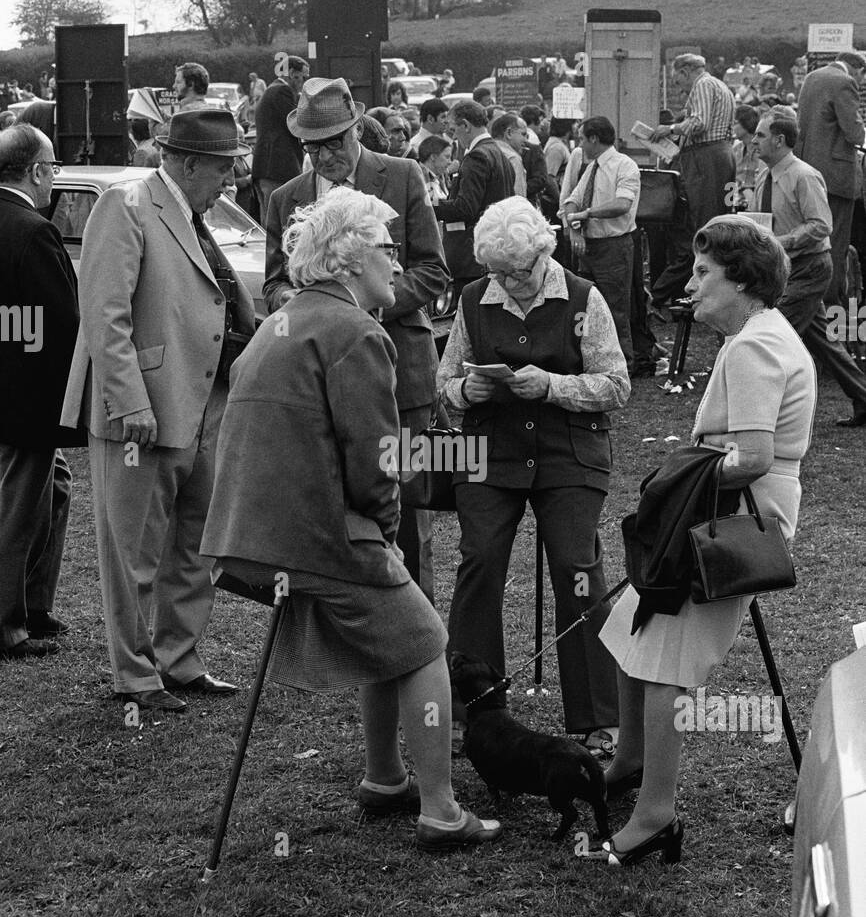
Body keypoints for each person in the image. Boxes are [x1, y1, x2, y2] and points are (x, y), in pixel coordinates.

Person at [201, 189, 501, 851]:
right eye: (388, 250)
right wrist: (384, 535)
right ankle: (440, 811)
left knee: (389, 637)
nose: (397, 265)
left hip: (251, 534)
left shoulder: (285, 319)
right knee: (424, 642)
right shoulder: (357, 332)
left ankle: (385, 778)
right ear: (351, 258)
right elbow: (376, 461)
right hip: (316, 535)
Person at [592, 216, 816, 866]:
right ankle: (631, 760)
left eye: (702, 272)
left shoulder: (753, 346)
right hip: (723, 508)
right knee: (630, 626)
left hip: (733, 521)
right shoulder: (756, 335)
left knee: (664, 658)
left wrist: (681, 477)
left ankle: (655, 815)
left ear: (740, 280)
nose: (690, 284)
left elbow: (752, 459)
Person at [60, 110, 256, 711]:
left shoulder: (190, 214)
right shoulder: (125, 206)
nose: (231, 180)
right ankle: (136, 676)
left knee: (196, 545)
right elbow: (105, 315)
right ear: (189, 163)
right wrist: (130, 403)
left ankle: (180, 660)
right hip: (142, 415)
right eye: (223, 168)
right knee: (133, 554)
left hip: (204, 406)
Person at [438, 197, 630, 748]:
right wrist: (465, 390)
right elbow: (444, 381)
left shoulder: (584, 297)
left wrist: (551, 385)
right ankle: (473, 710)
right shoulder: (474, 299)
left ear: (544, 253)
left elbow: (616, 385)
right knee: (479, 561)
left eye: (516, 272)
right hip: (490, 451)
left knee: (575, 565)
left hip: (569, 451)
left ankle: (599, 716)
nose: (506, 282)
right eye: (495, 271)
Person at [262, 77, 448, 605]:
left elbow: (434, 271)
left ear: (357, 130)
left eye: (334, 142)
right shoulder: (285, 199)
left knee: (404, 511)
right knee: (324, 510)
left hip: (400, 377)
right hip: (315, 382)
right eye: (312, 147)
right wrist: (301, 303)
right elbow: (274, 285)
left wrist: (363, 303)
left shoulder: (404, 176)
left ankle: (416, 635)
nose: (324, 156)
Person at [0, 125, 84, 659]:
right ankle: (8, 623)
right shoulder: (33, 230)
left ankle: (34, 604)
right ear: (34, 171)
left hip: (15, 390)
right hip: (27, 398)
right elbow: (61, 323)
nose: (54, 177)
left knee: (55, 487)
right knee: (18, 509)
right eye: (52, 168)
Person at [750, 109, 866, 428]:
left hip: (809, 267)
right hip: (785, 267)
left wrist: (782, 242)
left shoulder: (804, 176)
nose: (753, 141)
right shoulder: (763, 176)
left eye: (760, 135)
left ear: (779, 140)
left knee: (775, 331)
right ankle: (863, 397)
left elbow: (821, 225)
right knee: (825, 341)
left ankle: (768, 410)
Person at [649, 54, 737, 310]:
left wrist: (670, 129)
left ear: (685, 71)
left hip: (705, 157)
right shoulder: (721, 86)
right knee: (714, 224)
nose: (680, 88)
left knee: (703, 230)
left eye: (678, 81)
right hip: (719, 155)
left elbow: (700, 123)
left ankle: (677, 293)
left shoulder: (703, 85)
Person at [560, 116, 641, 370]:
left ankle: (622, 365)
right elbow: (571, 201)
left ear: (594, 139)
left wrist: (586, 214)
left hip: (613, 246)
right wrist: (575, 230)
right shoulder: (591, 168)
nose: (580, 145)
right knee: (585, 306)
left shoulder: (625, 166)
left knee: (615, 308)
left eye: (582, 139)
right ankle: (590, 361)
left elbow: (622, 204)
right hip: (589, 247)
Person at [794, 51, 866, 308]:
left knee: (814, 240)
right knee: (836, 242)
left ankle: (812, 298)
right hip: (836, 175)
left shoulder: (812, 78)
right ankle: (832, 302)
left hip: (807, 169)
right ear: (858, 69)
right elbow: (854, 132)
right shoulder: (845, 82)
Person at [433, 100, 514, 294]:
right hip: (493, 253)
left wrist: (429, 206)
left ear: (465, 125)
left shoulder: (477, 156)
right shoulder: (500, 155)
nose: (454, 136)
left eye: (454, 130)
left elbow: (465, 207)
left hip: (472, 257)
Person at [251, 55, 309, 220]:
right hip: (278, 169)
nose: (304, 82)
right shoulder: (282, 91)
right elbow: (297, 126)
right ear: (291, 73)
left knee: (271, 221)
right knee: (280, 223)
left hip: (269, 169)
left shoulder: (273, 90)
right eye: (303, 77)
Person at [490, 113, 528, 197]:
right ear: (509, 133)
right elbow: (518, 197)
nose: (526, 140)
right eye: (523, 134)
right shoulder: (513, 158)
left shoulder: (486, 152)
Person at [417, 135, 451, 204]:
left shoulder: (441, 176)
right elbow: (431, 205)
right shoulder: (419, 177)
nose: (450, 162)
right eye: (447, 157)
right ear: (433, 157)